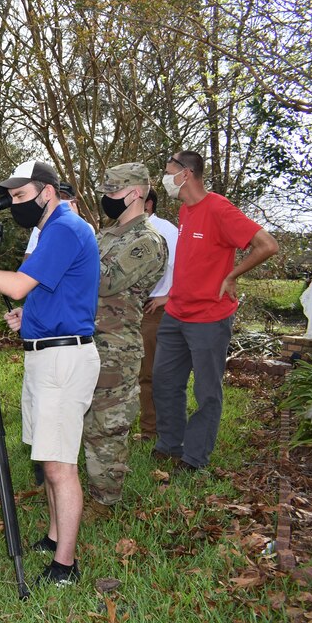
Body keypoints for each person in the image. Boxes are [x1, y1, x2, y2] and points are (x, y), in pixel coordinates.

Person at [0, 159, 99, 588]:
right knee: (48, 456)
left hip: (64, 360)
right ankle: (52, 536)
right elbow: (53, 289)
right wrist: (28, 315)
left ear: (47, 191)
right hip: (48, 353)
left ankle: (65, 565)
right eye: (12, 197)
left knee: (61, 465)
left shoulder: (64, 228)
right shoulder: (54, 230)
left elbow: (18, 284)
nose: (16, 204)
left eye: (23, 196)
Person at [153, 151, 278, 471]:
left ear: (186, 174)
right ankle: (170, 444)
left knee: (207, 391)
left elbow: (267, 244)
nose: (165, 178)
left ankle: (194, 458)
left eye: (169, 172)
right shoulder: (184, 210)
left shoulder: (219, 208)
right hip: (176, 313)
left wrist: (233, 275)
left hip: (209, 317)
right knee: (165, 381)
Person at [82, 164, 167, 518]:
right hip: (84, 338)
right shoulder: (106, 235)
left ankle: (105, 499)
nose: (106, 199)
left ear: (135, 194)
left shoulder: (145, 241)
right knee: (80, 415)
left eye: (112, 193)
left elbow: (105, 282)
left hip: (115, 347)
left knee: (107, 424)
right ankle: (70, 485)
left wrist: (73, 251)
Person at [136, 188, 179, 443]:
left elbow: (184, 266)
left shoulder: (165, 231)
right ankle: (150, 428)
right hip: (132, 310)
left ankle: (155, 432)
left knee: (152, 374)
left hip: (156, 311)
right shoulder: (125, 231)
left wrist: (170, 295)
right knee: (142, 374)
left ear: (147, 204)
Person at [23, 182, 81, 260]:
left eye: (65, 197)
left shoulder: (86, 228)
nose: (61, 201)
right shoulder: (39, 228)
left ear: (74, 201)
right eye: (58, 197)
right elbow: (28, 257)